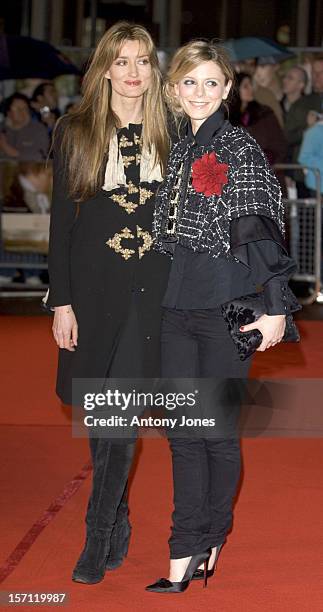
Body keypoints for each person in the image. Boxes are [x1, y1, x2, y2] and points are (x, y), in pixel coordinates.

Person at [146, 40, 298, 594]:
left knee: (216, 434)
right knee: (182, 435)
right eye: (190, 82)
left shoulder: (239, 148)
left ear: (228, 89)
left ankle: (209, 538)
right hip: (175, 310)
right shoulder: (179, 151)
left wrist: (276, 307)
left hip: (226, 309)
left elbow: (262, 227)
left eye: (212, 83)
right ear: (174, 89)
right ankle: (185, 548)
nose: (200, 93)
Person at [47, 21, 170, 584]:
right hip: (92, 294)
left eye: (143, 61)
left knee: (118, 416)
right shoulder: (75, 131)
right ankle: (116, 518)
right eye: (121, 61)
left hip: (153, 294)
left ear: (154, 68)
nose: (133, 73)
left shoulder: (173, 132)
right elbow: (60, 227)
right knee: (105, 417)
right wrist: (61, 302)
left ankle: (95, 539)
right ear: (103, 68)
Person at [230, 72, 287, 167]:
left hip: (264, 172)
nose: (251, 89)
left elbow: (279, 144)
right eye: (245, 86)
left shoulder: (264, 114)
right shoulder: (226, 117)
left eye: (250, 85)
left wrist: (261, 159)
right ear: (236, 89)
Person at [0, 93, 49, 161]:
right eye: (17, 108)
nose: (22, 111)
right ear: (8, 112)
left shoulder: (38, 129)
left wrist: (8, 150)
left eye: (25, 108)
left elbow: (41, 156)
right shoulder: (2, 128)